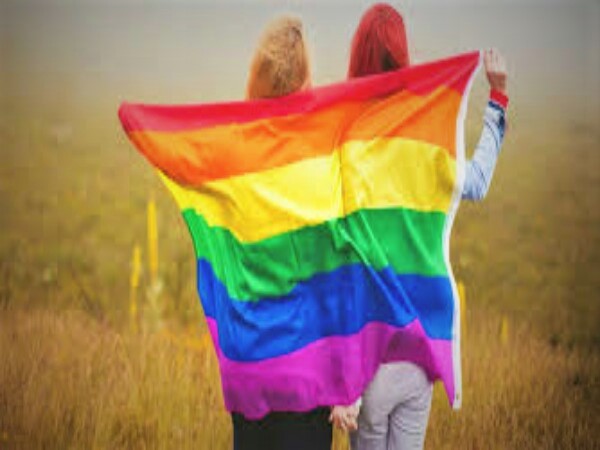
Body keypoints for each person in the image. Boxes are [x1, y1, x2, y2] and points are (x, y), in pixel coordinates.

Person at [329, 3, 510, 450]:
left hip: (368, 356)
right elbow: (477, 182)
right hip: (421, 352)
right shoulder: (427, 139)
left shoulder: (347, 142)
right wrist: (498, 98)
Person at [231, 15, 332, 450]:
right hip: (303, 368)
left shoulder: (234, 157)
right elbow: (331, 274)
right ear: (304, 83)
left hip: (248, 361)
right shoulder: (318, 164)